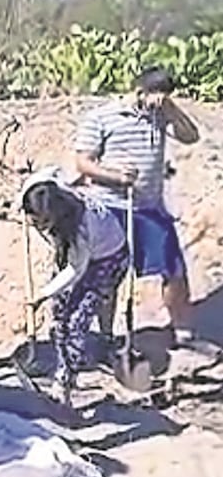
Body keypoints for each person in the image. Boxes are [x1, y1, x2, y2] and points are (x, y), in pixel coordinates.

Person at [74, 65, 200, 345]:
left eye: (165, 98)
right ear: (139, 91)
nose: (159, 104)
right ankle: (107, 336)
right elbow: (83, 163)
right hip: (110, 208)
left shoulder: (161, 114)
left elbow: (191, 136)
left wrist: (172, 110)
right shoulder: (102, 118)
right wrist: (116, 175)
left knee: (173, 268)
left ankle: (182, 331)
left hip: (150, 208)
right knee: (109, 275)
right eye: (156, 97)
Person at [20, 167, 129, 405]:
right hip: (74, 251)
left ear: (56, 215)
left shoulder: (80, 226)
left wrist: (42, 293)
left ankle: (64, 386)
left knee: (75, 322)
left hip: (108, 259)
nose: (37, 225)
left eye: (43, 221)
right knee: (59, 313)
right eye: (34, 219)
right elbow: (47, 174)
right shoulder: (42, 189)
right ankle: (66, 362)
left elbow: (74, 270)